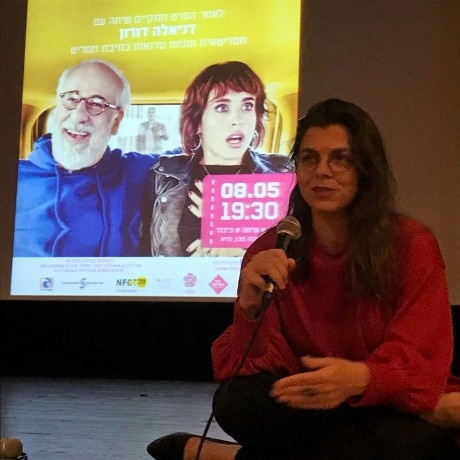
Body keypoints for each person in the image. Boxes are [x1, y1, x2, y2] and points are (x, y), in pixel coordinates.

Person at [147, 99, 460, 459]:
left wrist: (358, 379)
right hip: (318, 404)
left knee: (416, 445)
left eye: (340, 159)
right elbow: (255, 366)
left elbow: (419, 357)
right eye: (310, 158)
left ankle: (226, 457)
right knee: (235, 401)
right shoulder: (273, 247)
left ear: (365, 169)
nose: (322, 171)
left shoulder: (412, 244)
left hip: (383, 396)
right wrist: (249, 310)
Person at [144, 61, 292, 257]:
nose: (238, 119)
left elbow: (297, 250)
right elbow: (145, 250)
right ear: (197, 121)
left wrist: (242, 253)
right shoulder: (163, 174)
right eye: (222, 107)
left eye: (247, 105)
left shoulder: (284, 172)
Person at [13, 59, 159, 257]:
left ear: (116, 121)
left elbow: (197, 155)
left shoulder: (140, 170)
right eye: (72, 99)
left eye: (97, 103)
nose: (78, 116)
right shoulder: (13, 179)